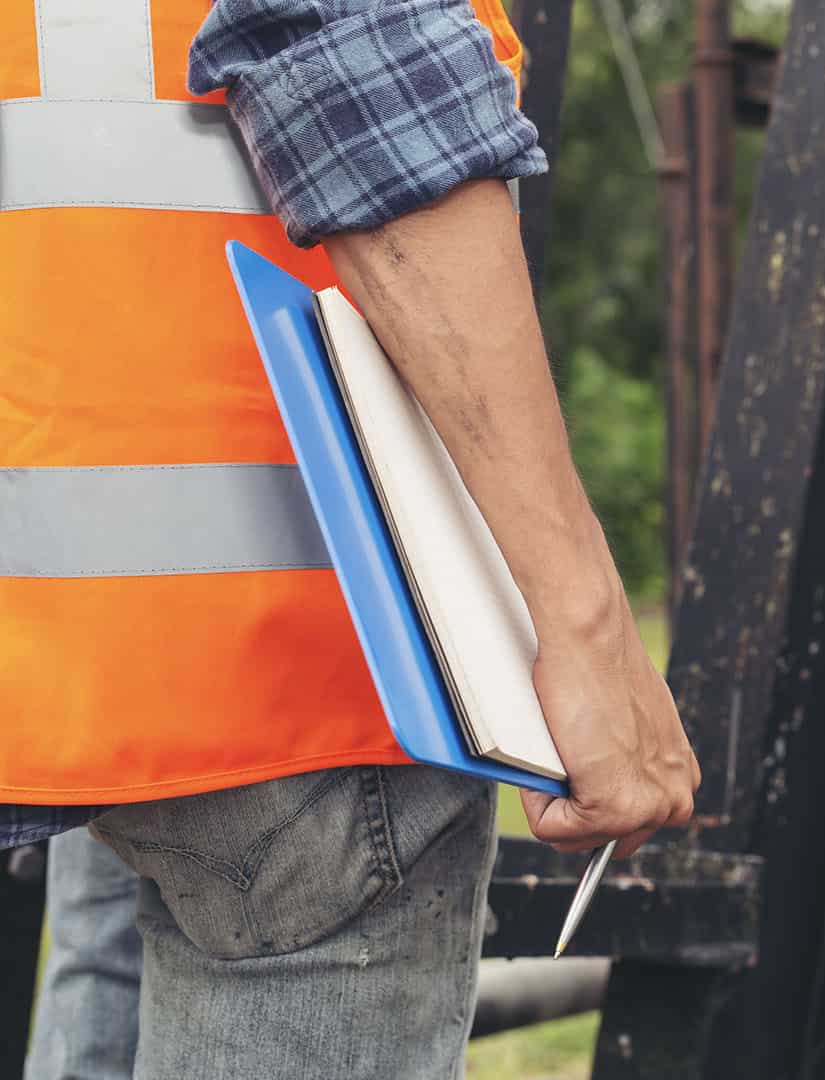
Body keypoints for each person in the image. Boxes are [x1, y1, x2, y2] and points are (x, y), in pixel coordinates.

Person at [2, 0, 698, 1075]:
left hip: (65, 644)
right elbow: (365, 76)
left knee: (105, 951)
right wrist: (584, 618)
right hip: (287, 668)